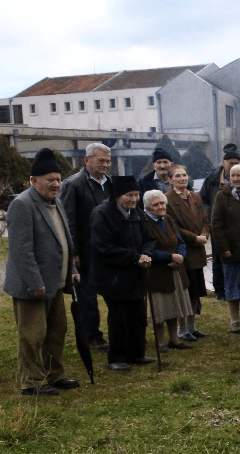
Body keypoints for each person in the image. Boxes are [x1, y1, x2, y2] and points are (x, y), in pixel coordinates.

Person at [3, 148, 81, 395]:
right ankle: (33, 382)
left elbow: (62, 242)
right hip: (33, 287)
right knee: (33, 336)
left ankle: (54, 375)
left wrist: (71, 270)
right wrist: (35, 283)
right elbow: (21, 251)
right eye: (50, 180)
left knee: (56, 333)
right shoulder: (22, 204)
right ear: (33, 181)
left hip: (55, 284)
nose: (56, 184)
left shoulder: (55, 202)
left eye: (58, 179)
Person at [90, 175, 157, 371]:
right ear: (118, 195)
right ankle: (117, 358)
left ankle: (137, 354)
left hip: (136, 273)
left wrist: (145, 254)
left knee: (138, 315)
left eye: (137, 195)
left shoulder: (135, 212)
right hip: (113, 276)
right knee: (119, 316)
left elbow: (148, 238)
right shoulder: (102, 214)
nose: (134, 199)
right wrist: (133, 257)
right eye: (129, 195)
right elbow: (102, 247)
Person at [60, 142, 112, 352]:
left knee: (112, 292)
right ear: (87, 159)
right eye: (101, 161)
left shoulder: (109, 183)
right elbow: (68, 220)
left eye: (108, 161)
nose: (105, 165)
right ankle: (92, 337)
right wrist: (73, 253)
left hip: (107, 250)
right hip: (85, 252)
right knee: (87, 297)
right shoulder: (73, 184)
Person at [142, 190, 193, 352]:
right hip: (157, 272)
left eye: (162, 203)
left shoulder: (168, 219)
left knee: (175, 306)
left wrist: (180, 256)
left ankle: (174, 340)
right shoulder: (144, 223)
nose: (160, 207)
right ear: (148, 208)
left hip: (175, 270)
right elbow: (146, 249)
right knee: (160, 310)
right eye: (155, 205)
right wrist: (169, 257)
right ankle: (160, 343)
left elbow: (180, 241)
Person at [211, 163, 240, 333]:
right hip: (231, 248)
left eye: (239, 175)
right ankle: (235, 321)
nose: (236, 179)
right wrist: (223, 247)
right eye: (232, 176)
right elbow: (216, 224)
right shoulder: (222, 196)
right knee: (232, 286)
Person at [165, 165, 209, 341]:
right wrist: (195, 238)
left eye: (184, 175)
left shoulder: (195, 196)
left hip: (198, 250)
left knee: (196, 291)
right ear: (170, 180)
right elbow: (174, 226)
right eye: (177, 176)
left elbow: (205, 218)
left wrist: (205, 234)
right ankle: (181, 328)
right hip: (184, 250)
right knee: (185, 291)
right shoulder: (168, 199)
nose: (182, 179)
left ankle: (191, 326)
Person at [200, 144, 240, 300]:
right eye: (231, 163)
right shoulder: (211, 179)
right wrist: (210, 213)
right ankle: (220, 291)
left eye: (236, 163)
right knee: (218, 257)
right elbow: (203, 199)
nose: (234, 166)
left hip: (236, 225)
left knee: (236, 256)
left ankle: (238, 290)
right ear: (224, 163)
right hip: (217, 223)